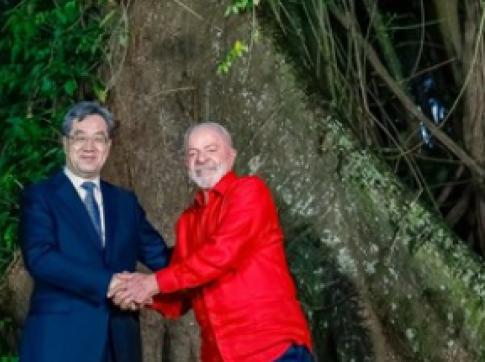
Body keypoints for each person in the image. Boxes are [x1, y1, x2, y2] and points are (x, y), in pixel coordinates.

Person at [109, 122, 314, 362]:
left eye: (211, 149)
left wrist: (151, 283)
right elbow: (183, 293)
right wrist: (134, 293)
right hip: (219, 354)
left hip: (270, 348)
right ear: (186, 163)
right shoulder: (188, 221)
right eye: (192, 153)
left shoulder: (249, 191)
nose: (201, 159)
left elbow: (221, 255)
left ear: (231, 155)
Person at [18, 101, 170, 362]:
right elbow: (40, 258)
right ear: (65, 143)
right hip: (60, 341)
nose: (89, 147)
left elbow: (163, 259)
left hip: (120, 342)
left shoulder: (125, 202)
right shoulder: (40, 196)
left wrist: (214, 249)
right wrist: (108, 282)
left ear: (108, 147)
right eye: (80, 138)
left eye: (98, 139)